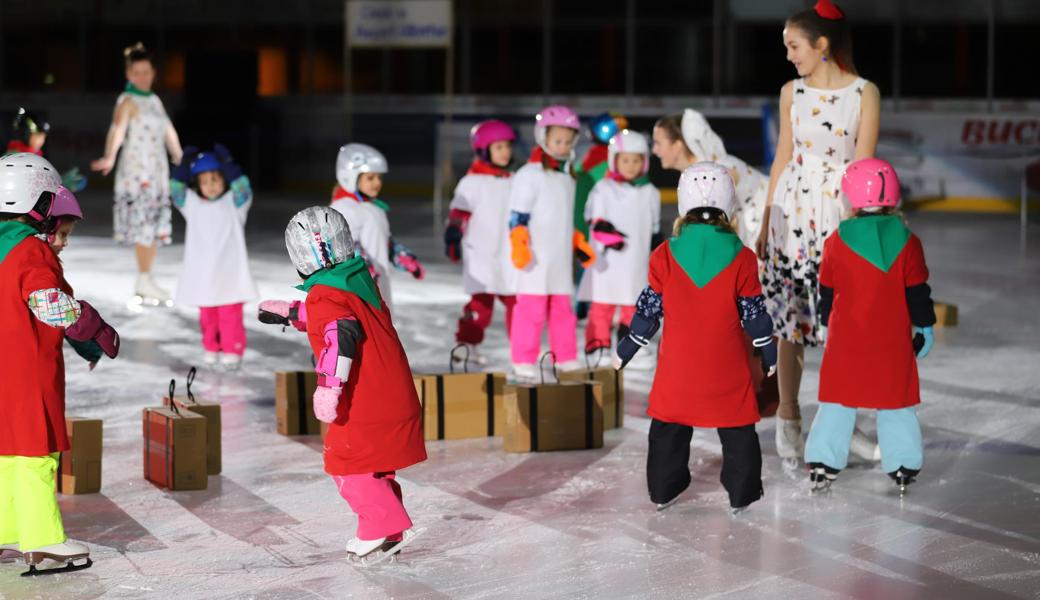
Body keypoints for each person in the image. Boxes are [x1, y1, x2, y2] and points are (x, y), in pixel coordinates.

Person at [257, 206, 426, 564]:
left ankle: (379, 528)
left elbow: (340, 335)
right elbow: (341, 315)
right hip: (391, 391)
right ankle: (388, 529)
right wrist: (293, 314)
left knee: (348, 465)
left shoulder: (324, 296)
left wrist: (328, 388)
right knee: (376, 465)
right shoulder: (359, 280)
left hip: (365, 399)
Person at [755, 0, 881, 463]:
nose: (789, 55)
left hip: (839, 216)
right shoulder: (792, 92)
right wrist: (768, 213)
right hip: (793, 211)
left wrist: (860, 227)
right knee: (791, 319)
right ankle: (788, 416)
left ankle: (839, 420)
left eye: (794, 45)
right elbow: (783, 154)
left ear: (821, 45)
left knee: (839, 325)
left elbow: (863, 162)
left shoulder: (864, 93)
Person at [614, 162, 777, 514]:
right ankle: (742, 491)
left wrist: (627, 347)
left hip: (678, 367)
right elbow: (754, 314)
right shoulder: (743, 258)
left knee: (668, 427)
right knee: (737, 428)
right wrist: (768, 351)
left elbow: (649, 310)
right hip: (726, 367)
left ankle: (663, 487)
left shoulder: (664, 255)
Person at [0, 153, 120, 575]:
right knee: (35, 455)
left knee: (6, 455)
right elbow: (48, 303)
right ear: (42, 208)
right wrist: (93, 326)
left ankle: (5, 531)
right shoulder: (32, 251)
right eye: (63, 232)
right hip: (27, 374)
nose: (63, 243)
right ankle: (43, 541)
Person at [804, 158, 935, 495]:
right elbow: (917, 292)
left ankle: (822, 462)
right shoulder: (909, 241)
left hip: (847, 341)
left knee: (837, 401)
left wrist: (822, 322)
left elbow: (827, 291)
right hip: (891, 341)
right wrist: (925, 326)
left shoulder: (836, 241)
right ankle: (903, 464)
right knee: (896, 402)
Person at [91, 42, 184, 306]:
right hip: (137, 173)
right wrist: (110, 156)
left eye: (147, 71)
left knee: (152, 227)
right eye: (137, 72)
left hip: (156, 171)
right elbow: (117, 130)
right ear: (129, 75)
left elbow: (168, 130)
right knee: (144, 226)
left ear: (153, 73)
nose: (143, 76)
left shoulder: (154, 100)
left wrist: (179, 155)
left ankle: (146, 278)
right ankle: (144, 278)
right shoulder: (128, 100)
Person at [507, 105, 594, 381]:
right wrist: (519, 241)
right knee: (531, 312)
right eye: (558, 140)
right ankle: (523, 357)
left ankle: (565, 355)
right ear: (542, 137)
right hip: (534, 257)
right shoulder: (529, 175)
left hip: (558, 258)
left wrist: (577, 241)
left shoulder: (568, 177)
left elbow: (566, 218)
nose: (563, 146)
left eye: (568, 141)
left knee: (562, 312)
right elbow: (518, 215)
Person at [170, 146, 257, 370]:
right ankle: (211, 346)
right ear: (197, 184)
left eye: (215, 179)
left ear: (224, 180)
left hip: (229, 271)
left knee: (229, 314)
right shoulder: (191, 203)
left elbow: (243, 188)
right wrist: (181, 169)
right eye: (205, 181)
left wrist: (229, 166)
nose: (210, 185)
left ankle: (232, 349)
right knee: (207, 314)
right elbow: (176, 190)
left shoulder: (235, 203)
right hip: (203, 272)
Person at [577, 129, 661, 362]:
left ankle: (627, 348)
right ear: (614, 160)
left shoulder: (649, 192)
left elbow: (654, 228)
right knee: (602, 306)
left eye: (636, 160)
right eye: (625, 160)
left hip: (636, 261)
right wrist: (604, 231)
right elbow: (592, 218)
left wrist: (657, 246)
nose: (631, 165)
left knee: (632, 305)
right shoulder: (603, 188)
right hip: (607, 261)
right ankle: (597, 346)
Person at [444, 120, 517, 364]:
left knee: (518, 305)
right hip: (482, 254)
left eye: (507, 146)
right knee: (481, 308)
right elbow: (458, 213)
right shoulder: (472, 182)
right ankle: (466, 344)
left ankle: (521, 350)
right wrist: (453, 234)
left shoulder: (515, 179)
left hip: (510, 254)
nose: (505, 152)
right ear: (484, 150)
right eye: (498, 147)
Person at [330, 143, 424, 311]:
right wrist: (365, 269)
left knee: (383, 329)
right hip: (359, 287)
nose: (377, 183)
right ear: (351, 177)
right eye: (370, 178)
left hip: (378, 285)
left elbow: (384, 242)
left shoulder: (374, 207)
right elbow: (345, 247)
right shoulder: (344, 208)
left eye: (379, 178)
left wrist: (402, 257)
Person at [680, 109, 768, 249]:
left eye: (658, 143)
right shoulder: (712, 170)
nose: (655, 150)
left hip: (765, 223)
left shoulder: (721, 171)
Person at [8, 107, 87, 192]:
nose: (41, 140)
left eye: (43, 137)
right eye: (37, 136)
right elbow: (26, 186)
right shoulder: (15, 157)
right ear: (25, 134)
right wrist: (60, 183)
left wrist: (59, 181)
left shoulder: (32, 156)